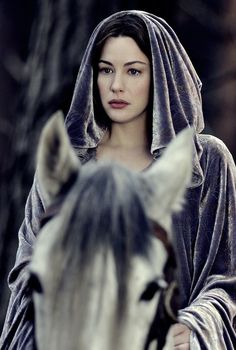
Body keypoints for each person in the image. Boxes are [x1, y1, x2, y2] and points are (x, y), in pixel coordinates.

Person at [1, 10, 236, 349]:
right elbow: (27, 267)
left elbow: (226, 276)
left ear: (160, 77)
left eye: (134, 71)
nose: (116, 86)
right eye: (106, 70)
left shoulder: (206, 163)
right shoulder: (67, 168)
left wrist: (194, 325)